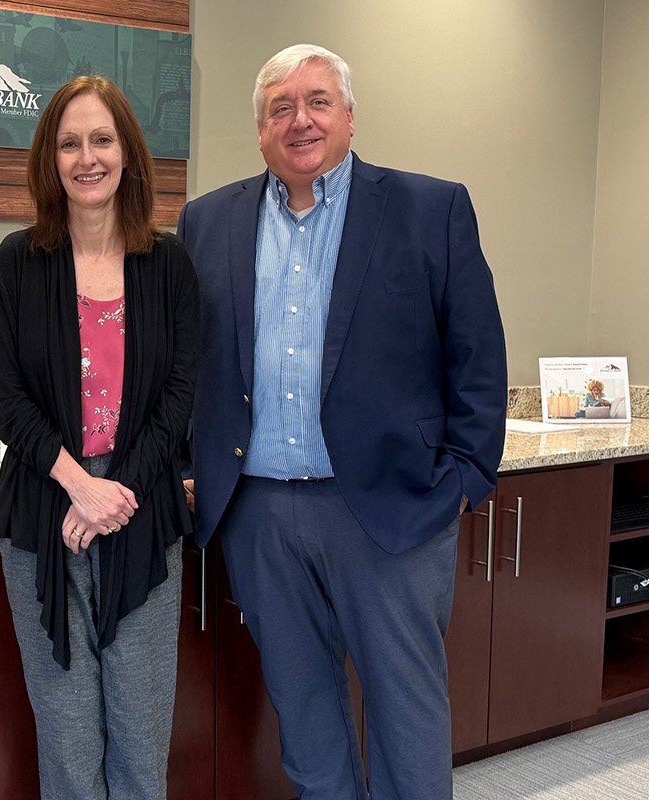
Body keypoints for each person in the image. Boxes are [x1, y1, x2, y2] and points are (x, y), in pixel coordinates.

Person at [176, 44, 507, 800]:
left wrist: (464, 477)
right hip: (256, 512)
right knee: (307, 715)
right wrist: (192, 469)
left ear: (349, 116)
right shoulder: (207, 222)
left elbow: (479, 356)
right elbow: (188, 363)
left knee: (406, 713)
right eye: (280, 108)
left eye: (318, 101)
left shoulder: (429, 208)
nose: (300, 120)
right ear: (259, 131)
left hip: (391, 507)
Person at [0, 75, 199, 800]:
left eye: (101, 139)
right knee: (70, 737)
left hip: (140, 510)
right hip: (46, 513)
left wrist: (116, 490)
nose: (87, 157)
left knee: (141, 737)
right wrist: (78, 483)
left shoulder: (166, 264)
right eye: (69, 143)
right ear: (50, 160)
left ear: (128, 154)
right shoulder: (19, 260)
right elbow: (5, 398)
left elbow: (179, 395)